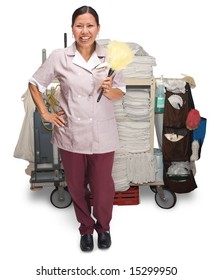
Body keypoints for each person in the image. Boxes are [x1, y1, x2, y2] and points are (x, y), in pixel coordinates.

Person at [29, 5, 126, 252]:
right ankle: (85, 229)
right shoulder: (59, 56)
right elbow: (34, 83)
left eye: (90, 25)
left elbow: (119, 94)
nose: (85, 31)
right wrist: (46, 113)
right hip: (71, 133)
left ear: (98, 28)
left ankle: (103, 228)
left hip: (103, 134)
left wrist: (107, 88)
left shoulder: (111, 58)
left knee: (103, 187)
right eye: (79, 26)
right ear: (72, 28)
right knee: (75, 185)